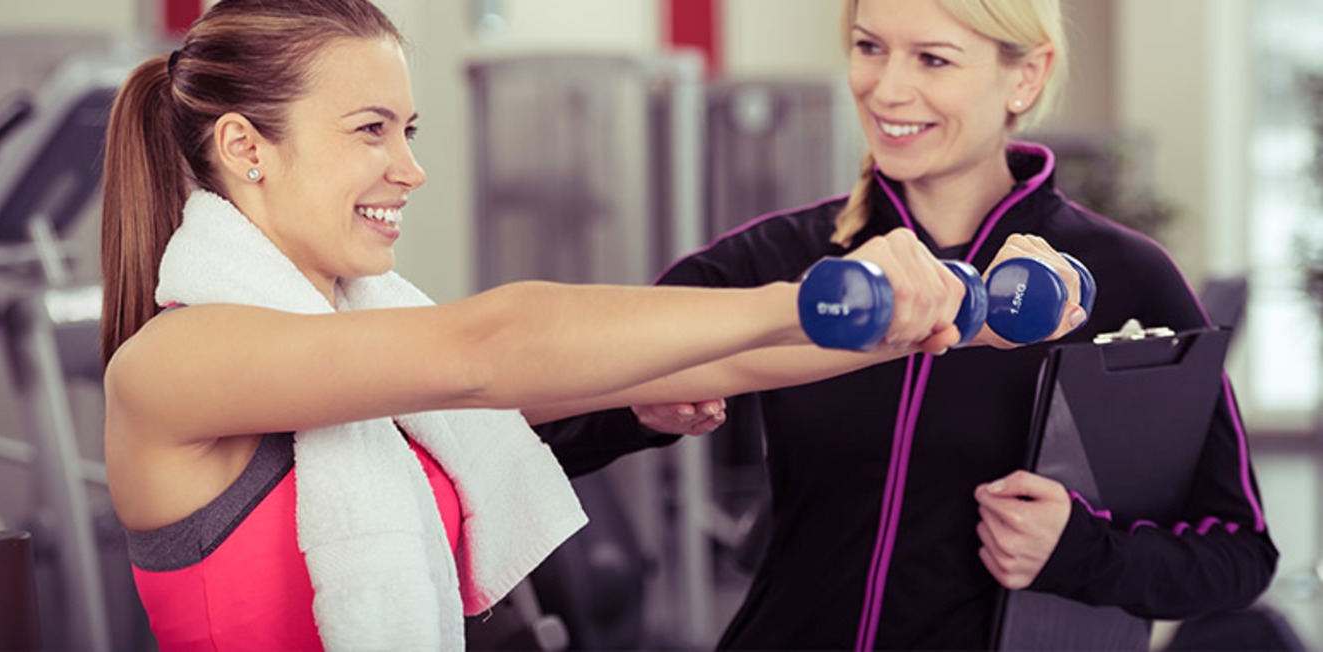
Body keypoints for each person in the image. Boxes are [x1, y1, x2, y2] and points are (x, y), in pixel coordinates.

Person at [99, 1, 1090, 649]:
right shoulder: (178, 358)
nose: (410, 168)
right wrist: (808, 295)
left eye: (409, 130)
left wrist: (948, 316)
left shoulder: (366, 348)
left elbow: (724, 362)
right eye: (371, 130)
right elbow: (488, 349)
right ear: (246, 148)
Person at [532, 0, 1280, 649]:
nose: (886, 88)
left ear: (1025, 75)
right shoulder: (782, 260)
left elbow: (1239, 554)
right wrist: (640, 409)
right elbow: (538, 426)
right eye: (869, 47)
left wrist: (1082, 552)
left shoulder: (1125, 278)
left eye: (933, 58)